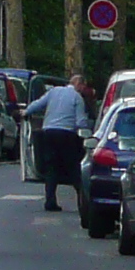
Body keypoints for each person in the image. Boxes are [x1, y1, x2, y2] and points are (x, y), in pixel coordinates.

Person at [31, 73, 90, 212]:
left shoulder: (53, 91)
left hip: (48, 133)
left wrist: (25, 112)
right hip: (66, 135)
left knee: (51, 168)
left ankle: (50, 201)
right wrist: (87, 131)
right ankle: (83, 201)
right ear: (79, 84)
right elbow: (80, 121)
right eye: (83, 86)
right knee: (74, 168)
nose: (83, 90)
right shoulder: (77, 98)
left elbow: (37, 104)